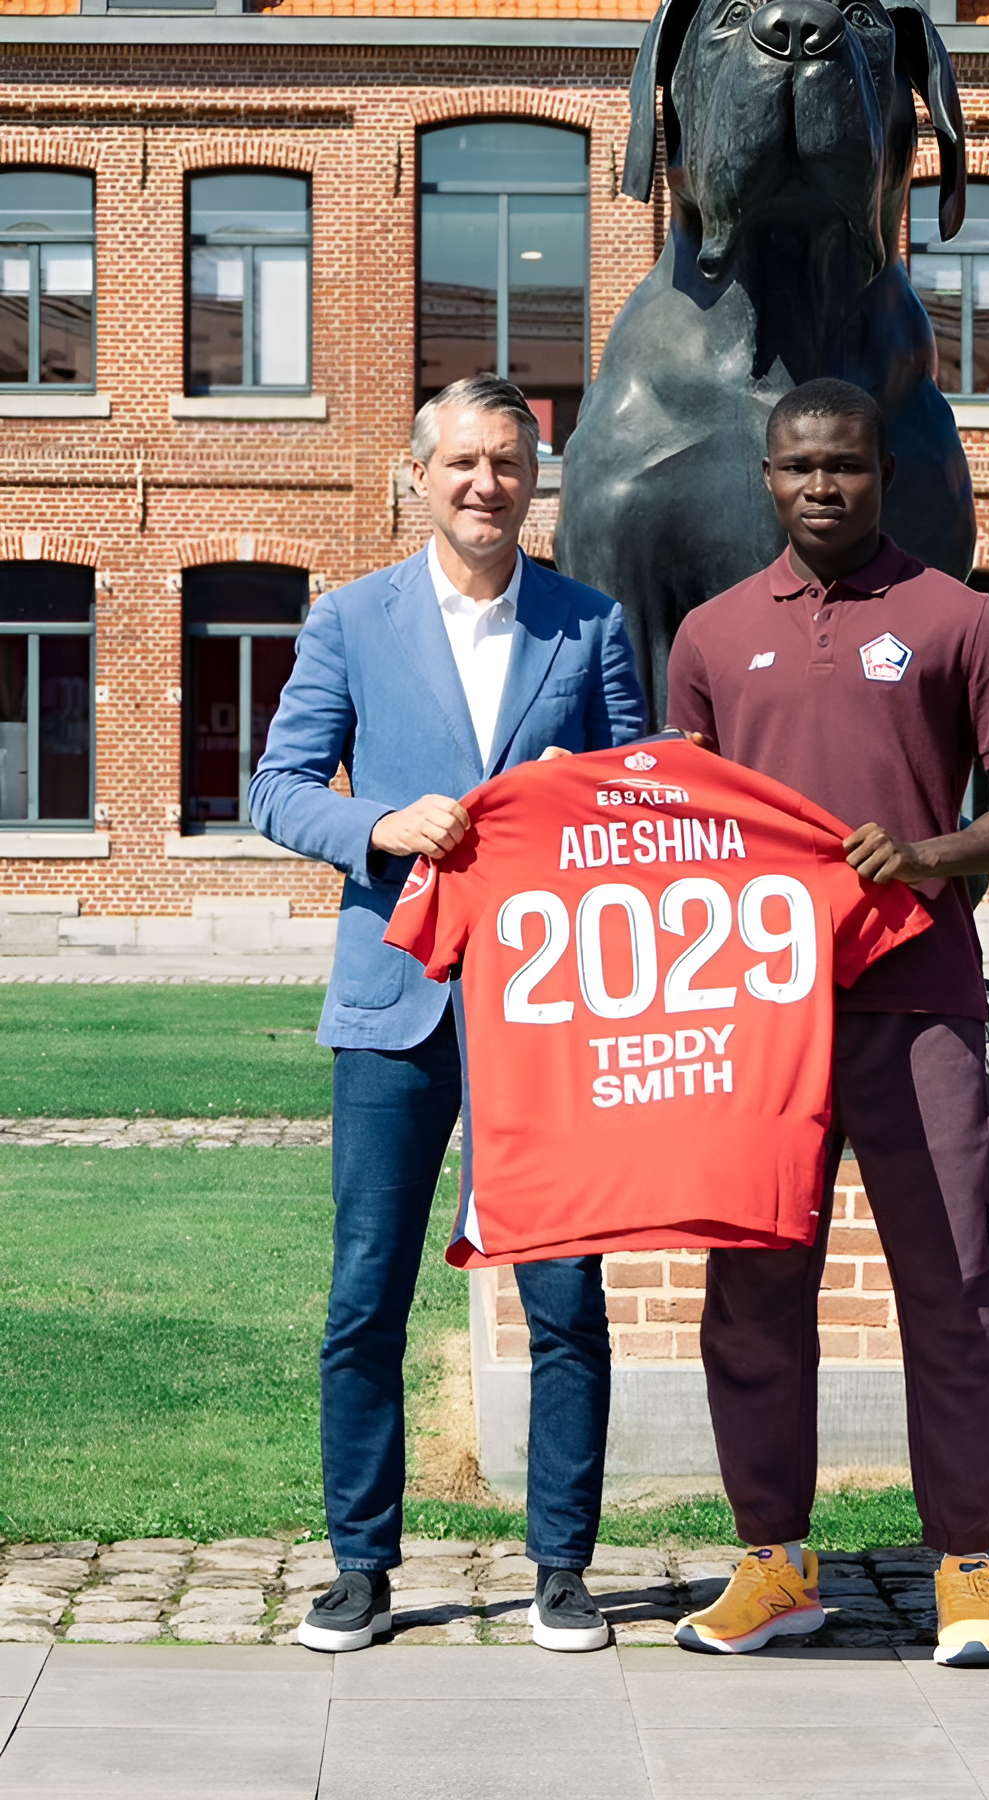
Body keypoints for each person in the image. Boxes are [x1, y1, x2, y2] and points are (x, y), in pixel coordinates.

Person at [665, 378, 989, 1668]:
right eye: (796, 470)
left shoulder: (958, 621)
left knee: (955, 1287)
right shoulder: (714, 635)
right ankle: (776, 1562)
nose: (820, 487)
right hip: (764, 1024)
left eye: (843, 466)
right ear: (766, 479)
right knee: (751, 1293)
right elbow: (679, 820)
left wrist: (935, 855)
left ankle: (965, 1567)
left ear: (883, 473)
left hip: (921, 1008)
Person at [250, 375, 647, 1654]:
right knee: (365, 1296)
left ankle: (563, 1570)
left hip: (548, 1018)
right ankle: (363, 1567)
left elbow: (639, 808)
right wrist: (377, 824)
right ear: (414, 477)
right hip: (393, 1008)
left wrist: (577, 805)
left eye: (511, 464)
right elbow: (276, 788)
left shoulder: (591, 628)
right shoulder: (349, 621)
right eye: (465, 462)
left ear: (540, 484)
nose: (488, 483)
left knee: (567, 1300)